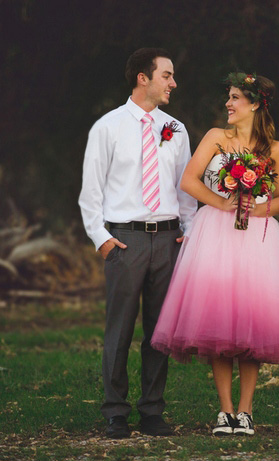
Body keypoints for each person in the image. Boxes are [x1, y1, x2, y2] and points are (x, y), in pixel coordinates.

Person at [151, 72, 279, 436]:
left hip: (257, 238)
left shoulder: (277, 151)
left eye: (236, 98)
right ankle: (224, 411)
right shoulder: (215, 138)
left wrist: (257, 208)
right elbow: (190, 181)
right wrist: (224, 202)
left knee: (252, 324)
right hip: (214, 234)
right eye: (228, 97)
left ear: (255, 104)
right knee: (218, 322)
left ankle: (246, 412)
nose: (228, 104)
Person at [79, 48, 197, 439]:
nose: (173, 83)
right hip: (124, 241)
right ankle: (115, 412)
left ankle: (152, 412)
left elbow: (186, 189)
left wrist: (188, 232)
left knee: (159, 331)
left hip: (167, 241)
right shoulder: (107, 127)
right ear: (143, 78)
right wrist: (103, 240)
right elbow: (90, 193)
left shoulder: (176, 129)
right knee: (120, 329)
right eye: (167, 75)